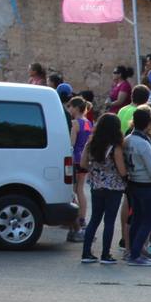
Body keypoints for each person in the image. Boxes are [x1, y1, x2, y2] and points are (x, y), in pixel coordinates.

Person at [80, 114, 127, 265]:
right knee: (109, 221)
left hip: (96, 185)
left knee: (94, 219)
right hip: (113, 187)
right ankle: (105, 254)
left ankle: (86, 253)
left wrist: (95, 171)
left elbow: (83, 163)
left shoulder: (91, 142)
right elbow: (121, 170)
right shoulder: (115, 146)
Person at [122, 106, 151, 267]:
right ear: (149, 123)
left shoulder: (128, 139)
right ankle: (135, 254)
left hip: (133, 182)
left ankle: (134, 252)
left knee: (137, 219)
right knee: (148, 220)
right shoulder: (143, 143)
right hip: (146, 184)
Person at [66, 97, 92, 243]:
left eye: (70, 107)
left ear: (75, 108)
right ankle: (82, 218)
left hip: (75, 159)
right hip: (85, 159)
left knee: (73, 191)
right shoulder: (88, 122)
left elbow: (71, 143)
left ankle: (74, 219)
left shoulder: (74, 123)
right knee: (80, 190)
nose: (69, 110)